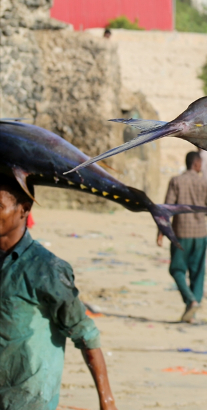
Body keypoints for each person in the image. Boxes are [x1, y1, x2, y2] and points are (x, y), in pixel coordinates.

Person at [0, 175, 117, 410]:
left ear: (24, 209)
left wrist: (107, 401)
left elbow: (84, 333)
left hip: (27, 399)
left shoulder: (46, 269)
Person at [160, 151, 207, 323]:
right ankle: (192, 310)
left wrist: (161, 231)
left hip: (181, 233)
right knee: (197, 274)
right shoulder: (205, 183)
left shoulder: (176, 181)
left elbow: (166, 209)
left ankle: (190, 300)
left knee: (177, 270)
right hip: (200, 234)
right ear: (196, 164)